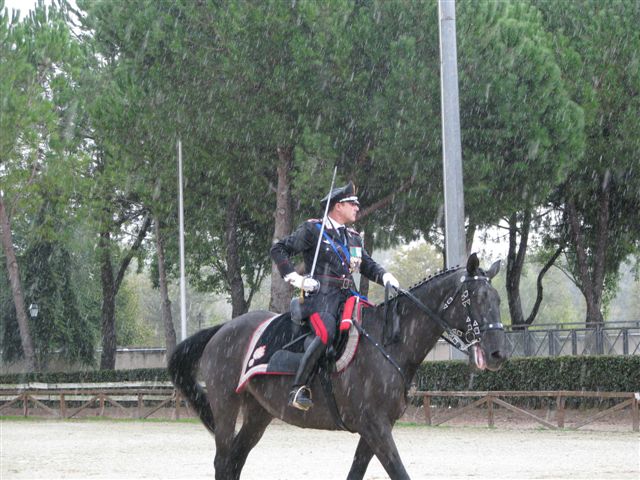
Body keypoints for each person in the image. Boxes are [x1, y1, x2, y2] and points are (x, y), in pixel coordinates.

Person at [270, 181, 400, 411]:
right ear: (338, 206)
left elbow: (367, 265)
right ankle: (298, 388)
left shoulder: (353, 237)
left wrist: (386, 276)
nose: (357, 208)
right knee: (326, 333)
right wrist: (296, 279)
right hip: (321, 298)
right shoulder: (313, 230)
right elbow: (278, 249)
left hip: (349, 297)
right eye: (352, 204)